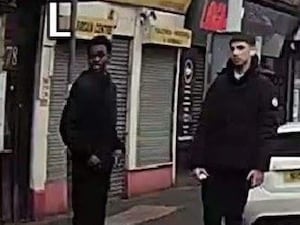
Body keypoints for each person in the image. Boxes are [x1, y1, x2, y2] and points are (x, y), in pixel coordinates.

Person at [190, 33, 279, 225]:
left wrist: (259, 166)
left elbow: (267, 130)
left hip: (241, 168)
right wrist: (197, 162)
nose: (236, 53)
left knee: (234, 218)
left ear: (252, 51)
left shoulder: (263, 87)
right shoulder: (220, 84)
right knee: (211, 217)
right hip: (214, 166)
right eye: (233, 49)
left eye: (241, 48)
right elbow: (204, 122)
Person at [59, 35, 125, 225]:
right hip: (85, 168)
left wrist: (117, 146)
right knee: (84, 216)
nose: (96, 60)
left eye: (100, 55)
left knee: (97, 216)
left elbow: (108, 125)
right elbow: (66, 127)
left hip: (103, 167)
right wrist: (87, 154)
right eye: (92, 56)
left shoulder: (110, 87)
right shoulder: (83, 85)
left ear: (109, 57)